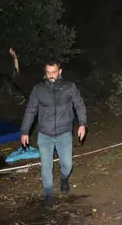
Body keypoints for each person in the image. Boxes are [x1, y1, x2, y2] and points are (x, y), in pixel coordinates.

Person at [20, 60, 87, 203]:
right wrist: (25, 131)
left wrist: (82, 124)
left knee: (67, 165)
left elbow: (79, 105)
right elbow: (31, 110)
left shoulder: (69, 87)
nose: (51, 75)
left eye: (54, 72)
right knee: (46, 165)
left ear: (60, 71)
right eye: (48, 72)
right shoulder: (38, 89)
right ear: (45, 72)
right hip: (45, 134)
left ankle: (64, 179)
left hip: (64, 133)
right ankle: (49, 195)